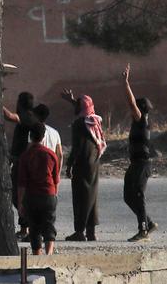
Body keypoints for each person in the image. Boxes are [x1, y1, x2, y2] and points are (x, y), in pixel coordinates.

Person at [61, 92, 106, 241]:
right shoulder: (94, 120)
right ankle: (91, 232)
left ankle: (79, 231)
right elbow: (84, 108)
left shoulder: (79, 124)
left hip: (82, 164)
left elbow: (77, 147)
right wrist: (73, 101)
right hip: (94, 163)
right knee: (91, 196)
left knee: (80, 197)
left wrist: (69, 165)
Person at [122, 64, 158, 242]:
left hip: (143, 164)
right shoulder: (140, 121)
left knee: (138, 195)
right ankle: (149, 223)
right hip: (135, 164)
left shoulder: (141, 119)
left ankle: (143, 230)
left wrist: (126, 83)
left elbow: (131, 102)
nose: (131, 110)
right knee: (128, 196)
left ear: (141, 109)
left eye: (135, 108)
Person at [18, 123, 60, 255]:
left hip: (32, 196)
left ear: (31, 136)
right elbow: (56, 179)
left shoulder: (25, 156)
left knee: (34, 227)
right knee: (49, 225)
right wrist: (54, 196)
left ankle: (37, 255)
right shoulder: (51, 154)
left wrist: (20, 203)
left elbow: (22, 184)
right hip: (49, 195)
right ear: (43, 137)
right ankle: (49, 254)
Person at [3, 92, 38, 239]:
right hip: (22, 161)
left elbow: (10, 117)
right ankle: (26, 227)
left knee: (19, 196)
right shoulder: (31, 116)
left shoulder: (26, 117)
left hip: (22, 163)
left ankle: (27, 227)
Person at [32, 104, 63, 173]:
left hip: (37, 171)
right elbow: (60, 155)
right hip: (51, 169)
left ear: (36, 116)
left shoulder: (33, 131)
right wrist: (57, 174)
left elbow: (30, 151)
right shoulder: (55, 132)